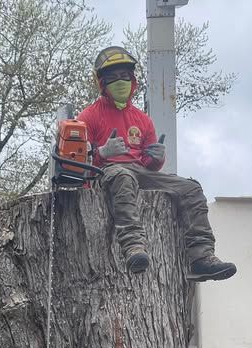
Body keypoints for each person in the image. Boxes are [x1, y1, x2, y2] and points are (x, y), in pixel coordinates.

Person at [77, 46, 237, 281]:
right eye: (113, 78)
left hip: (138, 171)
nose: (120, 82)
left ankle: (201, 257)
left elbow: (150, 167)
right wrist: (100, 152)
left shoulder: (142, 119)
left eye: (124, 77)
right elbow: (76, 163)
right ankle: (133, 247)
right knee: (123, 176)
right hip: (106, 172)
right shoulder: (88, 116)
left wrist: (156, 157)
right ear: (102, 83)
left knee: (190, 188)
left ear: (132, 81)